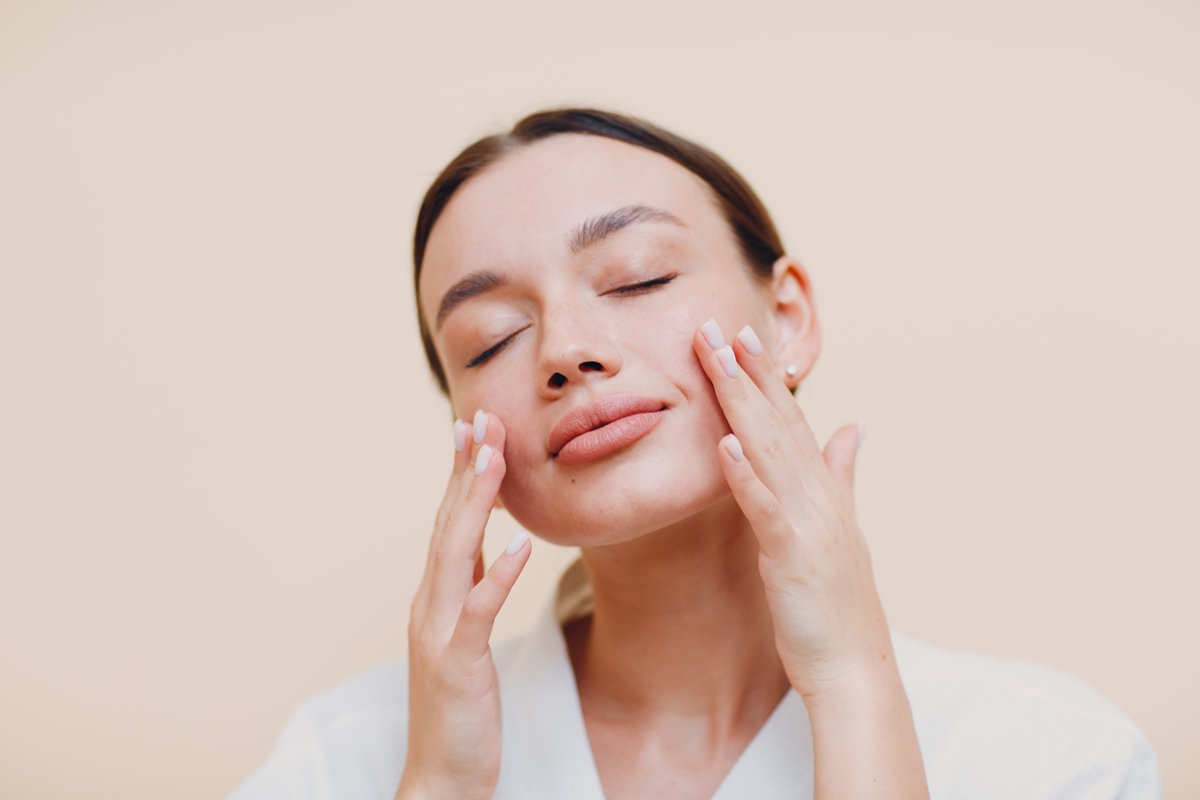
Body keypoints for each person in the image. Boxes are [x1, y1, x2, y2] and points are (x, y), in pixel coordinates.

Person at [230, 109, 1162, 799]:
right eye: (490, 339)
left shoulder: (1054, 759)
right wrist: (438, 782)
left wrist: (854, 691)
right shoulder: (341, 759)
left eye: (639, 277)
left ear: (786, 318)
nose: (565, 350)